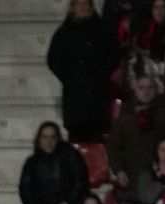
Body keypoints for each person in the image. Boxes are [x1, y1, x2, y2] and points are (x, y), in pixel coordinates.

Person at [46, 0, 117, 142]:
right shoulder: (63, 33)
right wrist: (70, 78)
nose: (83, 8)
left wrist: (101, 77)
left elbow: (114, 56)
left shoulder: (103, 30)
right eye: (79, 4)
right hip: (75, 101)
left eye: (86, 4)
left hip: (98, 99)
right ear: (73, 8)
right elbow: (53, 60)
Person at [19, 122, 88, 204]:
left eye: (52, 137)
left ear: (58, 139)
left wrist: (69, 202)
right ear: (39, 139)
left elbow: (80, 181)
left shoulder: (70, 156)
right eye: (44, 137)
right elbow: (24, 189)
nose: (48, 141)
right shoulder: (32, 162)